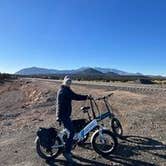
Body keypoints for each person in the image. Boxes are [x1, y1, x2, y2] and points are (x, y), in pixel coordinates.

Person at [56, 75, 89, 163]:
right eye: (67, 81)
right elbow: (75, 96)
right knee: (72, 132)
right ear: (64, 82)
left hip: (64, 114)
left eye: (70, 81)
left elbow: (73, 95)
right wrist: (86, 97)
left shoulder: (65, 89)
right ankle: (66, 152)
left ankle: (67, 143)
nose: (68, 83)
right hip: (63, 115)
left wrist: (85, 97)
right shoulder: (64, 91)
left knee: (70, 129)